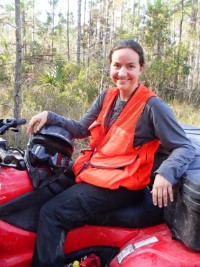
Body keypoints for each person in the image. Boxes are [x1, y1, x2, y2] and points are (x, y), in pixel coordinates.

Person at [27, 39, 196, 267]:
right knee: (45, 181)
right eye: (117, 66)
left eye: (130, 66)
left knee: (52, 213)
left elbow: (184, 146)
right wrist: (51, 115)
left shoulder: (153, 107)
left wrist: (166, 173)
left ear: (141, 68)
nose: (122, 72)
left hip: (122, 186)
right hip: (98, 172)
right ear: (110, 67)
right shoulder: (107, 97)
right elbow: (81, 129)